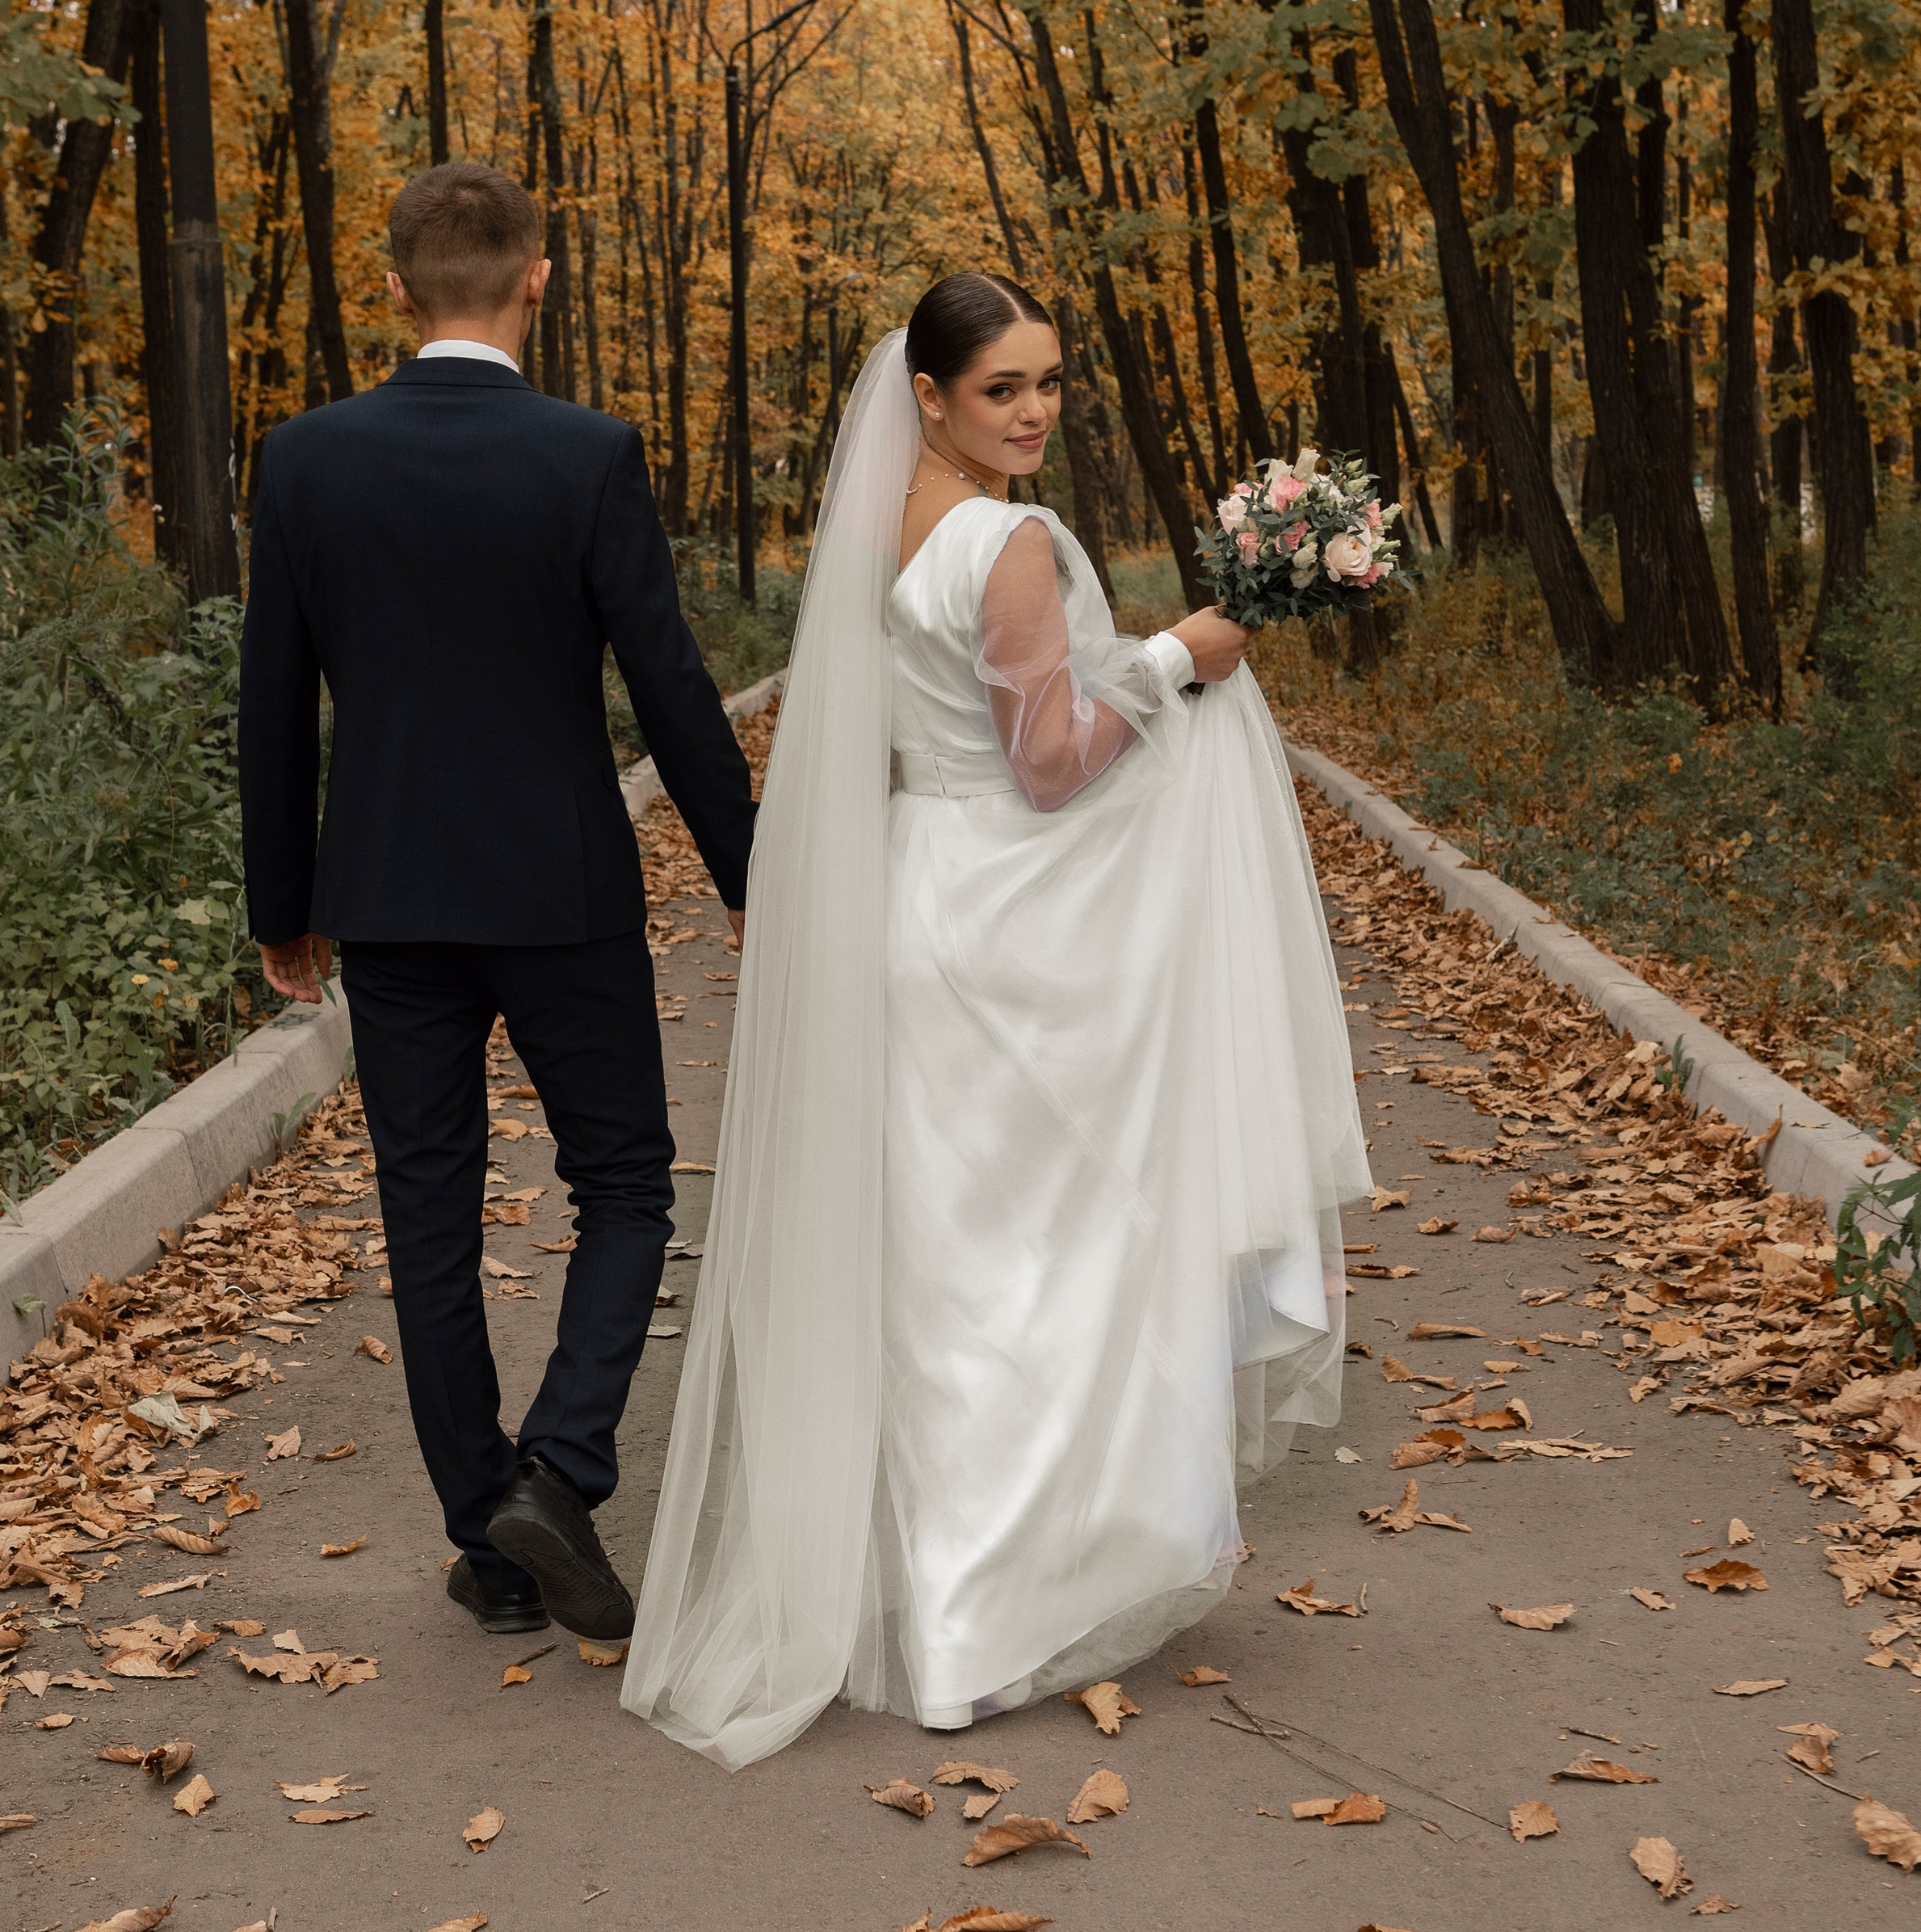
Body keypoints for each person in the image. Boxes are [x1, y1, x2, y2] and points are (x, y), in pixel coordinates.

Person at [623, 272, 1369, 1768]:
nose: (1032, 411)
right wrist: (1180, 657)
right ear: (932, 396)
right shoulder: (1009, 539)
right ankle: (994, 1613)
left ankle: (942, 1620)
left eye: (1046, 382)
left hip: (924, 900)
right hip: (1024, 927)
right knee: (1050, 1268)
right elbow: (1050, 762)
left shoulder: (882, 531)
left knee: (955, 1277)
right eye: (1000, 390)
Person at [237, 159, 755, 1644]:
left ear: (397, 286)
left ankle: (495, 1540)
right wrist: (755, 881)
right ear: (540, 278)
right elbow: (669, 687)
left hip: (388, 896)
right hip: (557, 888)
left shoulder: (308, 459)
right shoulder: (586, 454)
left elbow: (272, 702)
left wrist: (287, 900)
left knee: (429, 1215)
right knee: (629, 1181)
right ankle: (564, 1466)